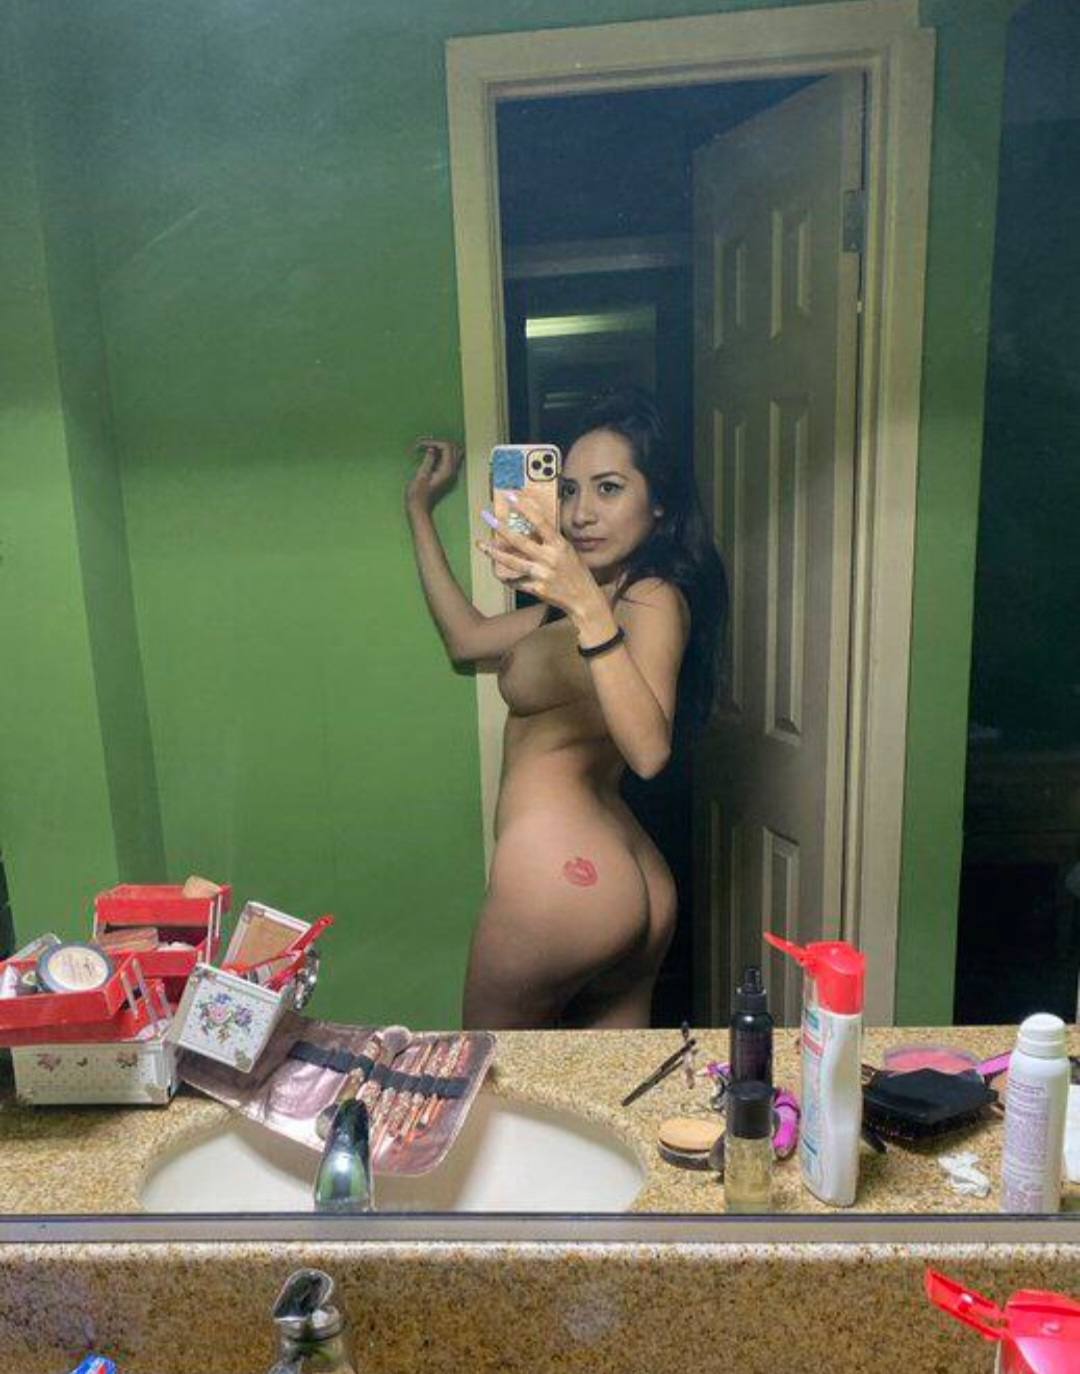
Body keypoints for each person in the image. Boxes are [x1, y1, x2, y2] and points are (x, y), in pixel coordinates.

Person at [405, 388, 727, 1029]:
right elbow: (467, 637)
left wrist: (582, 600)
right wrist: (420, 509)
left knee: (494, 1076)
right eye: (570, 490)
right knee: (608, 1084)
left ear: (658, 501)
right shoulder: (578, 604)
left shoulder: (651, 597)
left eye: (609, 489)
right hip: (622, 870)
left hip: (562, 877)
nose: (581, 514)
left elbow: (649, 752)